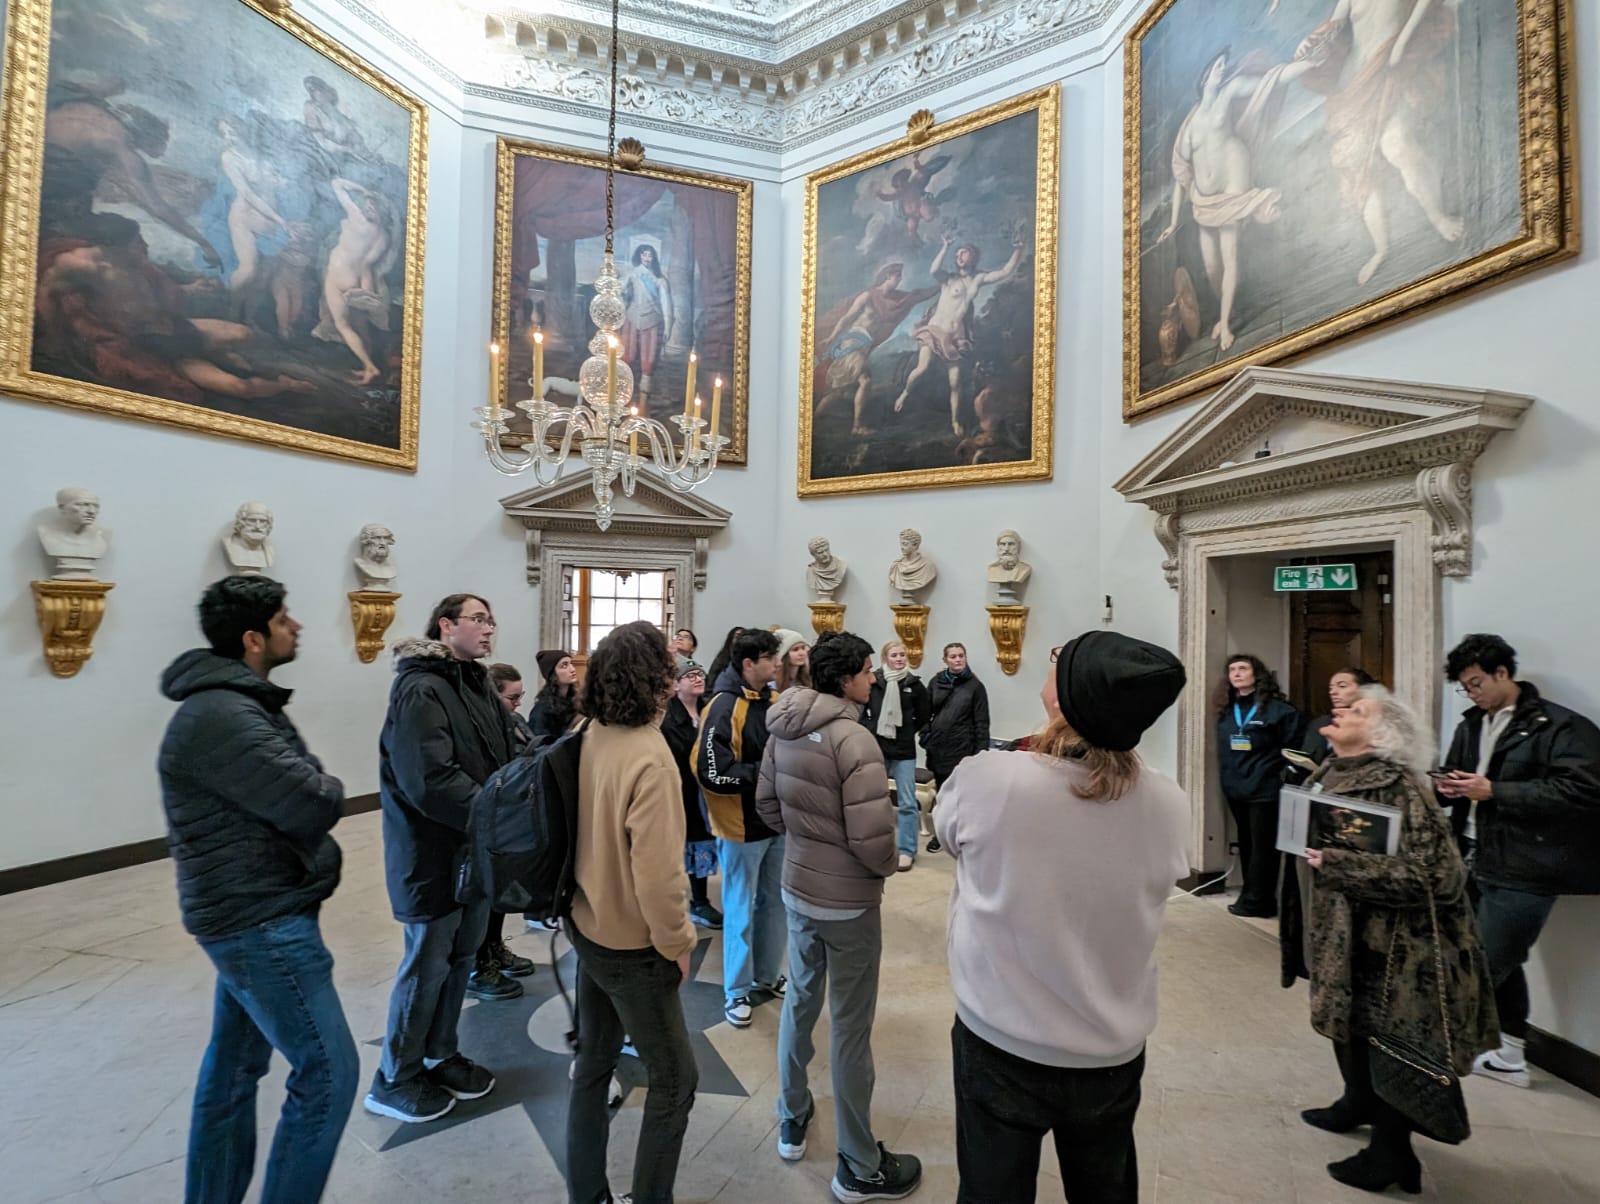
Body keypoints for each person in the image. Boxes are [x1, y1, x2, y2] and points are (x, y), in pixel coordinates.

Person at [936, 631, 1189, 1204]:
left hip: (1000, 1037)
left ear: (1064, 698)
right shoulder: (1169, 802)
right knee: (1105, 1188)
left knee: (991, 1189)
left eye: (1058, 661)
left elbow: (950, 837)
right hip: (1110, 1048)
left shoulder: (991, 779)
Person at [158, 576, 357, 1204]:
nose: (295, 626)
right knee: (329, 1071)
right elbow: (314, 798)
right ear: (252, 638)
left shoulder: (232, 704)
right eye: (283, 618)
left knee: (234, 1071)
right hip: (260, 920)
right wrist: (322, 783)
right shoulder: (222, 714)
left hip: (251, 909)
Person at [1299, 686, 1498, 1193]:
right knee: (1350, 1028)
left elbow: (1438, 878)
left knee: (1390, 1043)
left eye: (1359, 710)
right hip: (1345, 936)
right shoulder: (1330, 772)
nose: (1342, 709)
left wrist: (1343, 866)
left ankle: (1392, 1153)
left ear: (1384, 736)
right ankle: (1356, 1100)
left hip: (1396, 953)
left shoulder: (1401, 788)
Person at [756, 632, 922, 1202]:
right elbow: (874, 839)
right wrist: (885, 868)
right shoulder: (855, 740)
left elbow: (767, 806)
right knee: (850, 1027)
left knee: (800, 1004)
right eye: (868, 672)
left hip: (798, 887)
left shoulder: (784, 724)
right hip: (848, 901)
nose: (874, 679)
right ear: (846, 678)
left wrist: (807, 843)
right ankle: (859, 1162)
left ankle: (791, 1116)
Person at [366, 594, 517, 1123]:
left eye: (490, 617)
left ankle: (440, 1052)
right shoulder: (420, 688)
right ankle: (395, 1076)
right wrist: (498, 814)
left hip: (472, 851)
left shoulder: (473, 683)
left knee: (460, 957)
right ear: (446, 626)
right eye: (479, 617)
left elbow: (506, 752)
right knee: (426, 963)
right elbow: (429, 779)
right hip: (430, 853)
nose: (488, 626)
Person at [565, 621, 700, 1204]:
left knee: (593, 1068)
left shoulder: (587, 730)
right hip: (632, 945)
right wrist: (678, 943)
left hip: (587, 923)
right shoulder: (652, 757)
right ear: (657, 681)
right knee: (675, 1081)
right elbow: (659, 876)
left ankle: (587, 1192)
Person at [1435, 634, 1600, 1088]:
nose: (1472, 693)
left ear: (1502, 673)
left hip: (1527, 863)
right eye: (1465, 687)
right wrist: (1446, 787)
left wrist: (1494, 791)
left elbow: (1582, 792)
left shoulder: (1560, 727)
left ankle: (1439, 1050)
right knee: (1491, 955)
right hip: (1472, 852)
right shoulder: (1472, 724)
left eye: (1476, 683)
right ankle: (1509, 1053)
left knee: (1483, 962)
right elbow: (1458, 774)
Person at [696, 628, 787, 1028]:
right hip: (740, 825)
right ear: (749, 664)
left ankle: (767, 975)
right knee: (740, 909)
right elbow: (712, 772)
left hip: (776, 822)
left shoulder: (773, 700)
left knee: (775, 904)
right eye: (770, 658)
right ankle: (735, 990)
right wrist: (766, 776)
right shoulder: (722, 706)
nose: (778, 663)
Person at [889, 230, 1027, 436]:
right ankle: (905, 394)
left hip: (955, 337)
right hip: (935, 330)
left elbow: (1005, 271)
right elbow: (934, 269)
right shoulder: (948, 279)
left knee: (955, 382)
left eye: (963, 253)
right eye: (957, 254)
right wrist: (944, 246)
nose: (959, 257)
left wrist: (1018, 249)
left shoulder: (978, 278)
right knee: (922, 368)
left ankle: (955, 421)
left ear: (972, 256)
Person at [1214, 653, 1302, 918]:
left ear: (1257, 674)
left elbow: (1294, 751)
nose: (1237, 673)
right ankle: (1252, 896)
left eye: (1243, 668)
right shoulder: (1229, 710)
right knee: (1248, 844)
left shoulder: (1279, 711)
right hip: (1236, 787)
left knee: (1263, 848)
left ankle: (1258, 901)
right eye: (1232, 669)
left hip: (1265, 789)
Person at [662, 657, 723, 928]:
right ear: (676, 685)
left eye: (700, 674)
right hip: (681, 789)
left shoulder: (709, 710)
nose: (698, 678)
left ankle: (699, 899)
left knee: (702, 842)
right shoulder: (668, 717)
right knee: (681, 844)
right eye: (690, 676)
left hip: (706, 789)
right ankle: (680, 900)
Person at [863, 639, 932, 872]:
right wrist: (872, 728)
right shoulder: (874, 681)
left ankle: (906, 850)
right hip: (877, 747)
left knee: (907, 802)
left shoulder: (915, 685)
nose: (899, 658)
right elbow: (863, 709)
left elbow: (924, 715)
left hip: (903, 750)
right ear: (885, 658)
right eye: (894, 655)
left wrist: (907, 730)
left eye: (902, 655)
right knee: (875, 800)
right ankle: (877, 847)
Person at [922, 642, 989, 854]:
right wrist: (925, 737)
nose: (958, 659)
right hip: (938, 748)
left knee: (961, 796)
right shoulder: (936, 682)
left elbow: (981, 722)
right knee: (942, 794)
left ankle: (961, 835)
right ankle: (941, 835)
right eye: (953, 656)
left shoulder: (975, 687)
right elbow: (924, 713)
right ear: (945, 660)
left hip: (963, 749)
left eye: (961, 655)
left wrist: (981, 753)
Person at [529, 648, 581, 740]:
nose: (572, 669)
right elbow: (540, 745)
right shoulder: (542, 709)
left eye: (571, 664)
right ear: (552, 674)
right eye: (564, 665)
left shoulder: (575, 700)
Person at [489, 661, 535, 750]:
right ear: (493, 696)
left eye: (520, 696)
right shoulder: (488, 728)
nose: (518, 703)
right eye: (512, 698)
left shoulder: (517, 718)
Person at [774, 628, 812, 692]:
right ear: (784, 655)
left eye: (803, 648)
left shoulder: (807, 681)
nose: (801, 653)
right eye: (795, 649)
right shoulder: (773, 685)